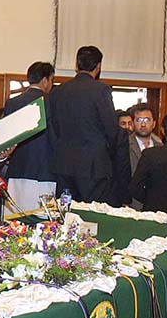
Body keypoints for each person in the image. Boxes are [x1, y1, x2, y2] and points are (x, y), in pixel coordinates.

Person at [48, 45, 118, 204]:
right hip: (94, 165)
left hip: (64, 163)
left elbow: (53, 127)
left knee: (66, 213)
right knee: (92, 215)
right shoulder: (101, 90)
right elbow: (111, 129)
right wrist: (108, 153)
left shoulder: (58, 91)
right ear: (98, 66)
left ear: (76, 65)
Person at [4, 62, 56, 213]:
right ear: (45, 80)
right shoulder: (52, 102)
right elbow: (54, 138)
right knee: (43, 220)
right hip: (45, 170)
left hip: (18, 168)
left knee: (14, 217)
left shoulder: (13, 102)